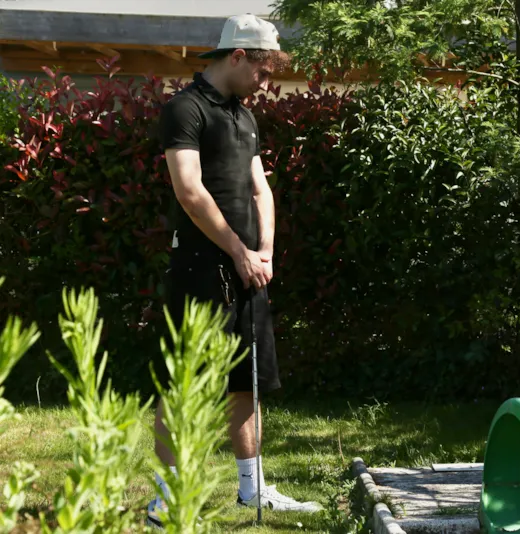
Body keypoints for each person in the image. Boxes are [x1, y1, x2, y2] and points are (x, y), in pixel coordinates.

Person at [147, 13, 318, 528]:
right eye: (263, 71)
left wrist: (262, 251)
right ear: (239, 55)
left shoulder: (245, 116)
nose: (266, 83)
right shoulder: (185, 109)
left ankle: (253, 489)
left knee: (248, 380)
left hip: (248, 268)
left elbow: (259, 188)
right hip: (201, 266)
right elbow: (189, 190)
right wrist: (237, 252)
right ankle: (166, 498)